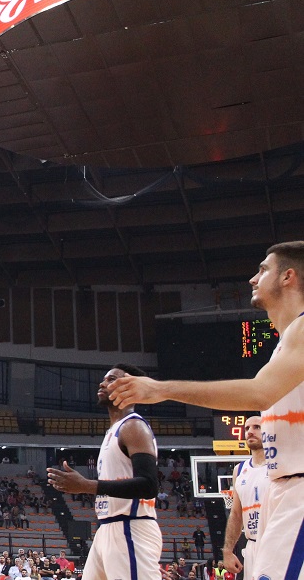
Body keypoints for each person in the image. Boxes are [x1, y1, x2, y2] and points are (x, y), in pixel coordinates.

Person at [109, 242, 304, 580]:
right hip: (283, 488)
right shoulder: (285, 342)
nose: (252, 279)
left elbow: (259, 392)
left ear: (288, 277)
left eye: (262, 270)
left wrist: (160, 389)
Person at [46, 364, 161, 580]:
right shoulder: (113, 431)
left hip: (130, 527)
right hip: (108, 528)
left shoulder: (134, 427)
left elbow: (149, 485)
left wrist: (86, 486)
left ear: (131, 388)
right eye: (104, 379)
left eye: (111, 379)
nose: (102, 383)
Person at [221, 415, 268, 578]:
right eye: (247, 428)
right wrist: (227, 550)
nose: (250, 432)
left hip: (277, 543)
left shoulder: (280, 465)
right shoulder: (239, 470)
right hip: (252, 546)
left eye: (257, 427)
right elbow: (236, 514)